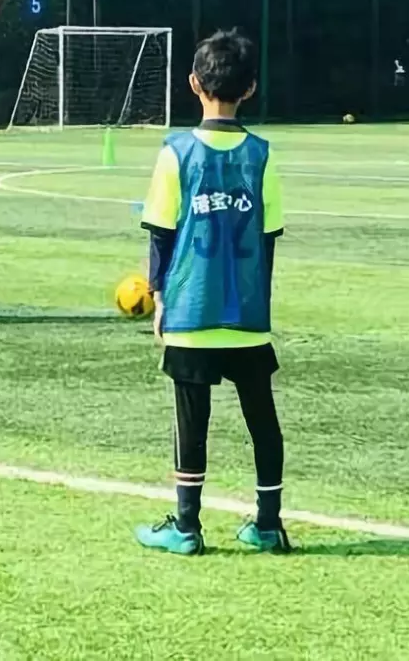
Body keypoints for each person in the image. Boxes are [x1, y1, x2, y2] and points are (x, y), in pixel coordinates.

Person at [135, 30, 290, 556]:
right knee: (262, 419)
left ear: (193, 84)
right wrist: (257, 300)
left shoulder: (176, 152)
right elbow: (268, 237)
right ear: (250, 89)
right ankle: (268, 524)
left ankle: (186, 526)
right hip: (246, 312)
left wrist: (159, 297)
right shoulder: (262, 156)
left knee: (190, 420)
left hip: (191, 308)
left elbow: (161, 233)